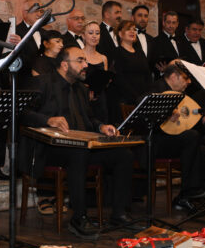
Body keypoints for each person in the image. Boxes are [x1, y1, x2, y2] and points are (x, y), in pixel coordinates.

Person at [20, 46, 135, 238]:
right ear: (64, 65)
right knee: (78, 153)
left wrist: (101, 127)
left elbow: (89, 119)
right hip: (49, 149)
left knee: (124, 155)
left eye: (85, 61)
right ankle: (79, 218)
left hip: (81, 145)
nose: (86, 65)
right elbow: (22, 113)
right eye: (80, 60)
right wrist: (48, 120)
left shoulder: (82, 88)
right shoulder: (42, 83)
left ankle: (119, 214)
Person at [147, 62, 205, 212]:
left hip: (174, 140)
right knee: (192, 136)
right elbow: (145, 113)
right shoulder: (156, 88)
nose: (189, 82)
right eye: (186, 78)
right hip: (156, 142)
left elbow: (187, 122)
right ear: (174, 77)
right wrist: (166, 115)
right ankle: (189, 191)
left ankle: (189, 194)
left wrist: (203, 121)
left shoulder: (182, 95)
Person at [108, 20, 150, 119]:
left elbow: (147, 75)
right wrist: (136, 97)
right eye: (128, 29)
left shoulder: (140, 52)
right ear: (120, 34)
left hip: (143, 100)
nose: (132, 32)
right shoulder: (116, 52)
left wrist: (146, 95)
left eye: (134, 29)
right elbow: (119, 78)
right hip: (125, 100)